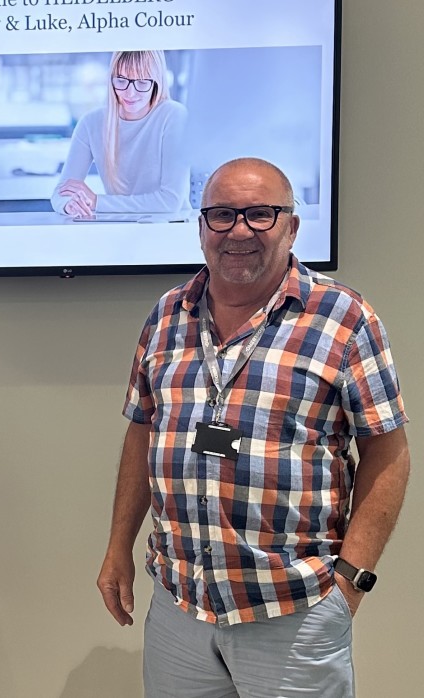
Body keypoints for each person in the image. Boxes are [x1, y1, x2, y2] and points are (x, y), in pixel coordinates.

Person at [97, 157, 410, 697]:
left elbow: (388, 452)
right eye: (221, 215)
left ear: (290, 226)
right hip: (180, 605)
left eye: (260, 214)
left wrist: (349, 583)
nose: (239, 230)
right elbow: (142, 434)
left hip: (293, 608)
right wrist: (117, 548)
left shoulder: (344, 318)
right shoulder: (167, 317)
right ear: (200, 228)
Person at [51, 50, 189, 219]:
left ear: (157, 81)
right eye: (121, 80)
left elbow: (170, 202)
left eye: (142, 82)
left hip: (169, 230)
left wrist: (96, 202)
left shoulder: (173, 115)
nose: (130, 93)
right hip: (119, 228)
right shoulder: (91, 122)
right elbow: (60, 192)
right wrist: (69, 204)